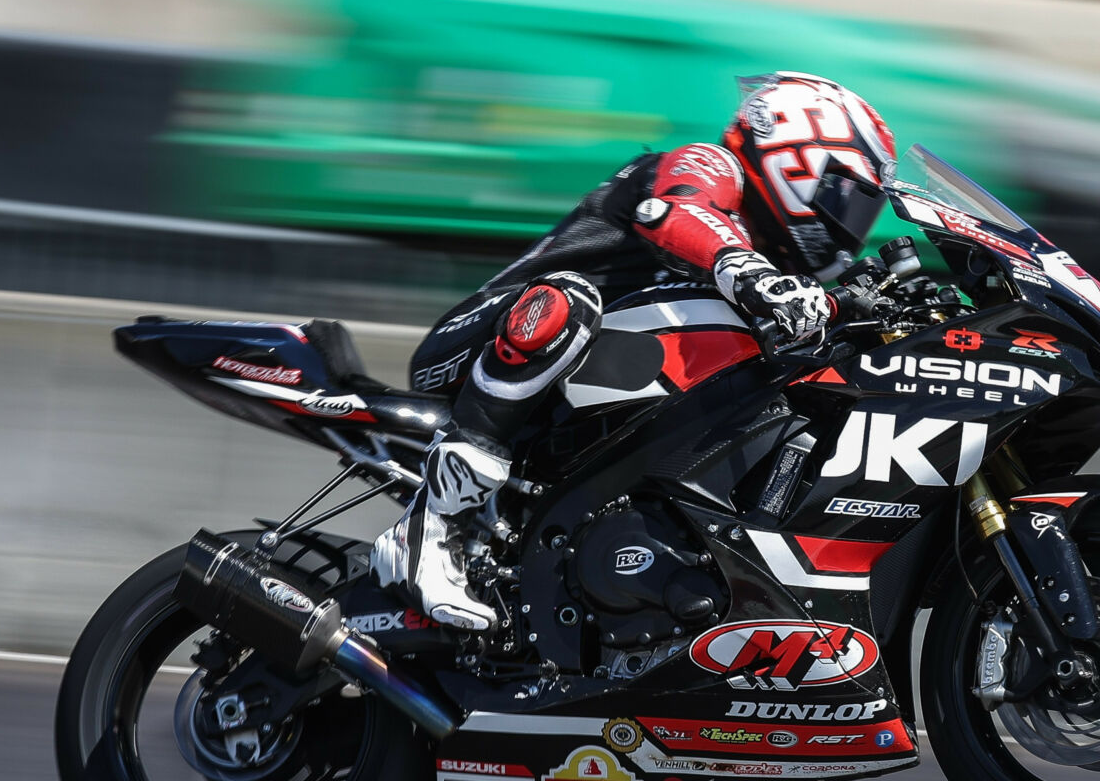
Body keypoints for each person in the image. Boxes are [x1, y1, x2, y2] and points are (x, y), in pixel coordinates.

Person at [372, 71, 897, 630]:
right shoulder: (710, 167)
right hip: (490, 340)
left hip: (579, 390)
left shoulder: (775, 255)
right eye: (844, 192)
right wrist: (750, 274)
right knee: (570, 302)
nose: (850, 223)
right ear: (794, 154)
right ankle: (431, 525)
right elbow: (675, 211)